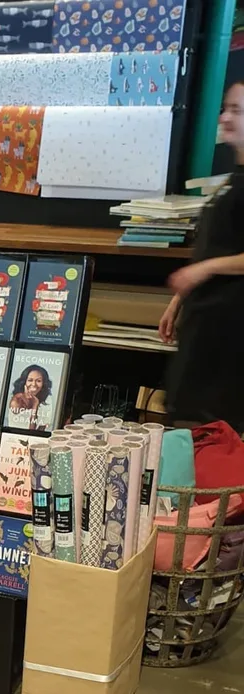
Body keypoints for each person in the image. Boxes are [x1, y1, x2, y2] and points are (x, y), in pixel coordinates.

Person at [159, 81, 244, 431]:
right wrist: (179, 299)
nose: (224, 117)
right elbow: (218, 243)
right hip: (204, 327)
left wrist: (203, 271)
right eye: (226, 108)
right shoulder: (232, 181)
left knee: (213, 436)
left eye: (237, 110)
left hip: (230, 332)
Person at [8, 364, 52, 430]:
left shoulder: (47, 399)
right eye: (30, 380)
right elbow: (31, 431)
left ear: (43, 384)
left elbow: (41, 430)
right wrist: (35, 405)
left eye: (38, 381)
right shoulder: (16, 399)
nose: (34, 384)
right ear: (24, 382)